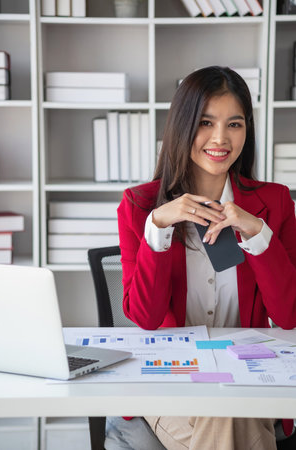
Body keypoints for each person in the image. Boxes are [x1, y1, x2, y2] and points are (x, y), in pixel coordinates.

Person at [105, 66, 296, 450]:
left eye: (235, 124)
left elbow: (290, 314)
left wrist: (256, 233)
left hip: (249, 373)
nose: (220, 138)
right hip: (170, 381)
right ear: (183, 126)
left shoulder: (273, 202)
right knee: (223, 409)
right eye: (206, 122)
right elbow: (146, 317)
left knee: (224, 404)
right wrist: (159, 227)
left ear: (248, 131)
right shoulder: (142, 206)